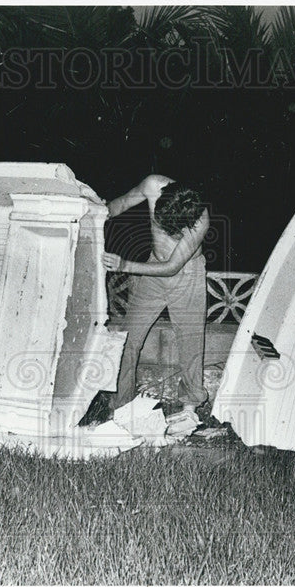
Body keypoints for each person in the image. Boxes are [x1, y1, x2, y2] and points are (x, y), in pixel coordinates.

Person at [101, 174, 210, 416]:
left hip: (187, 275)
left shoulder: (200, 221)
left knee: (190, 342)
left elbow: (172, 267)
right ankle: (121, 404)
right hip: (152, 269)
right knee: (129, 337)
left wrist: (124, 266)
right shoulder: (152, 185)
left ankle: (190, 407)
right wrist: (93, 216)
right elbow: (120, 204)